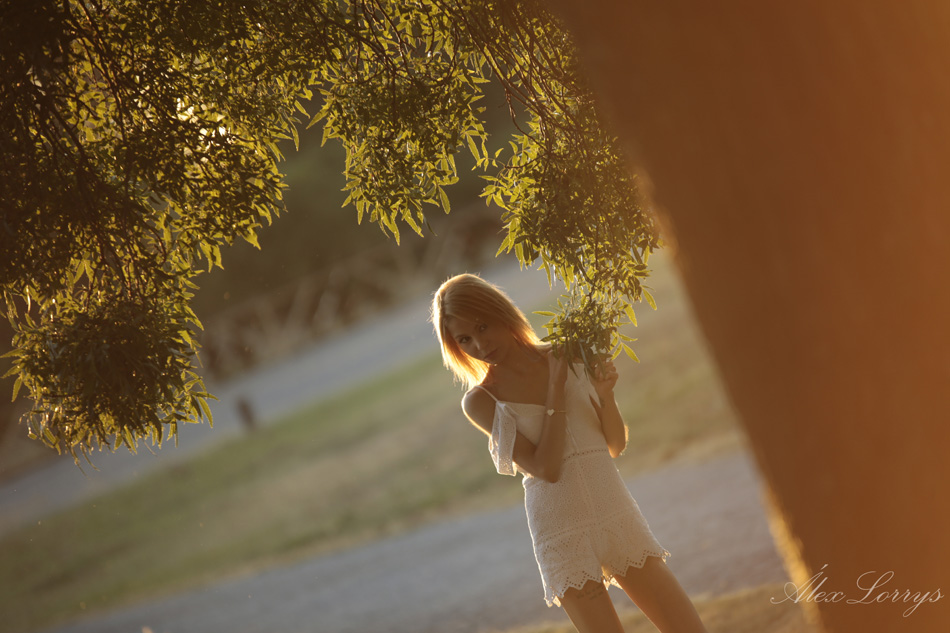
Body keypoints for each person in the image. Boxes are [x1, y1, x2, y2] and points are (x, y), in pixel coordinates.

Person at [432, 273, 709, 633]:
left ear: (502, 314)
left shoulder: (570, 353)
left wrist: (606, 395)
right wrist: (556, 388)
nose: (480, 345)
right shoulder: (482, 400)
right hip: (562, 531)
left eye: (483, 327)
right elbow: (546, 468)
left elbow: (614, 445)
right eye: (465, 339)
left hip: (614, 510)